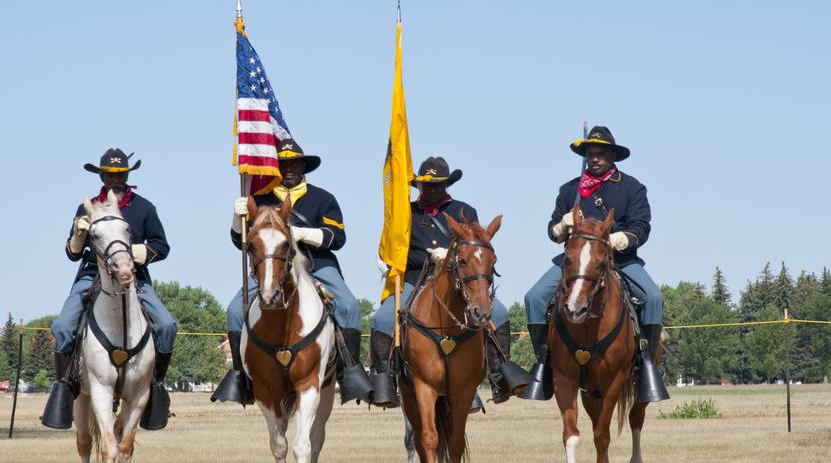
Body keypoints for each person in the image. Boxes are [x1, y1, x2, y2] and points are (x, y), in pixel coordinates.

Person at [520, 126, 669, 403]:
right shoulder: (569, 190)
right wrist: (559, 227)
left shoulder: (632, 188)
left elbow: (641, 227)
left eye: (601, 153)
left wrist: (622, 239)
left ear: (613, 156)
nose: (595, 158)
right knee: (534, 297)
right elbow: (552, 229)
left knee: (654, 297)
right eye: (591, 154)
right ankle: (545, 360)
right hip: (576, 263)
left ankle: (647, 365)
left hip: (619, 260)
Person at [217, 139, 370, 405]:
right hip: (272, 267)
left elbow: (338, 237)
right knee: (233, 311)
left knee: (349, 307)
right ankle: (241, 376)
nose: (289, 169)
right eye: (283, 164)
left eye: (294, 163)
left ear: (303, 167)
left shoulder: (323, 198)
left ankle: (350, 372)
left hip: (317, 264)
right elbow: (241, 243)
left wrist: (301, 234)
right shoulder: (262, 198)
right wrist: (236, 217)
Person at [371, 156, 528, 409]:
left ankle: (499, 375)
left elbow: (478, 245)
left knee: (498, 313)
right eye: (427, 185)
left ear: (447, 185)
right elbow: (395, 252)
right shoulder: (405, 214)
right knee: (384, 318)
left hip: (458, 280)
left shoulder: (464, 212)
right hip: (416, 278)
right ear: (419, 186)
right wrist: (429, 256)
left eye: (438, 185)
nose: (432, 190)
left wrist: (451, 258)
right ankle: (385, 380)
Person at [43, 148, 177, 429]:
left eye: (120, 174)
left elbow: (162, 246)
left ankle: (156, 383)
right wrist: (79, 235)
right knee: (63, 326)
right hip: (93, 275)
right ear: (101, 176)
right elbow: (72, 254)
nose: (115, 179)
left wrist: (136, 253)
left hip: (134, 278)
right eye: (110, 174)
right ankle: (65, 385)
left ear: (127, 175)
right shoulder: (87, 207)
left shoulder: (144, 208)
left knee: (166, 326)